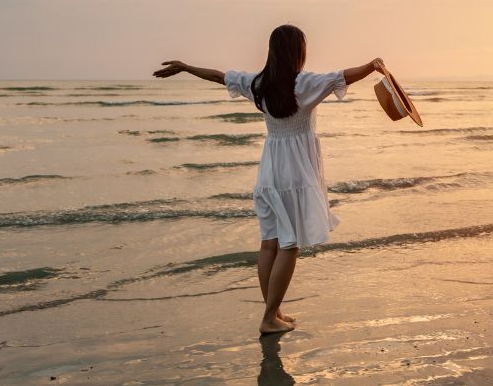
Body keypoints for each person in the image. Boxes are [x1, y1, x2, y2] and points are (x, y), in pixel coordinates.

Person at [154, 24, 385, 334]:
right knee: (289, 246)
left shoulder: (257, 83)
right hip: (295, 173)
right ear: (298, 52)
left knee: (269, 245)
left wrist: (184, 67)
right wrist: (373, 65)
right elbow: (344, 76)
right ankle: (268, 319)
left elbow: (217, 75)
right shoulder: (304, 83)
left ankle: (272, 313)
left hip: (269, 171)